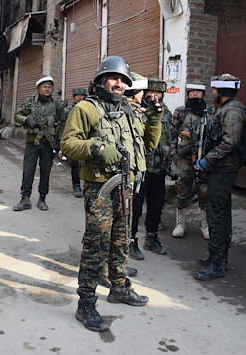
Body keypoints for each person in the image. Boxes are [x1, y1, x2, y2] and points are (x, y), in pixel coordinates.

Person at [61, 55, 162, 332]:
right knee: (96, 246)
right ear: (101, 80)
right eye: (114, 78)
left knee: (121, 241)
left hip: (127, 189)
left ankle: (119, 287)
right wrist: (97, 149)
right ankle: (86, 303)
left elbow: (149, 144)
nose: (118, 84)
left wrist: (154, 118)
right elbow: (68, 144)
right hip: (101, 189)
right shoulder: (87, 108)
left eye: (123, 80)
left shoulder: (131, 110)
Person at [194, 73, 246, 281]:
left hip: (223, 170)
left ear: (221, 91)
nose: (212, 93)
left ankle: (217, 262)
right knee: (219, 214)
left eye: (214, 90)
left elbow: (230, 142)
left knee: (217, 216)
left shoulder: (232, 111)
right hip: (219, 169)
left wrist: (208, 160)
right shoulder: (225, 109)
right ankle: (217, 256)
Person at [129, 76, 173, 260]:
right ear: (145, 93)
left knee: (156, 205)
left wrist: (169, 164)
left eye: (159, 93)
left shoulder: (166, 113)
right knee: (135, 207)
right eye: (152, 92)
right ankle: (130, 241)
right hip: (142, 167)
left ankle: (152, 238)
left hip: (159, 168)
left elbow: (170, 138)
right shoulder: (138, 110)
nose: (155, 96)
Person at [169, 80, 213, 239]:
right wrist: (174, 155)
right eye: (192, 91)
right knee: (182, 191)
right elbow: (172, 135)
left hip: (203, 160)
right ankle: (180, 224)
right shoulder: (180, 112)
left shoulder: (209, 112)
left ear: (203, 93)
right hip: (184, 160)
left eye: (198, 91)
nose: (195, 94)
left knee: (205, 193)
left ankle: (205, 225)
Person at [13, 76, 64, 211]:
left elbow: (63, 121)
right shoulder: (30, 102)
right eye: (44, 87)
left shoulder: (56, 104)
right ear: (39, 88)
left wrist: (60, 139)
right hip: (32, 143)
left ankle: (42, 198)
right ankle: (25, 199)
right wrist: (26, 121)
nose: (47, 89)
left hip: (48, 143)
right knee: (28, 170)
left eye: (49, 87)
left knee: (45, 171)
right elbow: (17, 115)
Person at [64, 88, 87, 198]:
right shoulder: (68, 110)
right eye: (77, 95)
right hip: (75, 140)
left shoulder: (89, 108)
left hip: (87, 140)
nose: (79, 97)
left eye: (81, 95)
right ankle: (76, 185)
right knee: (75, 165)